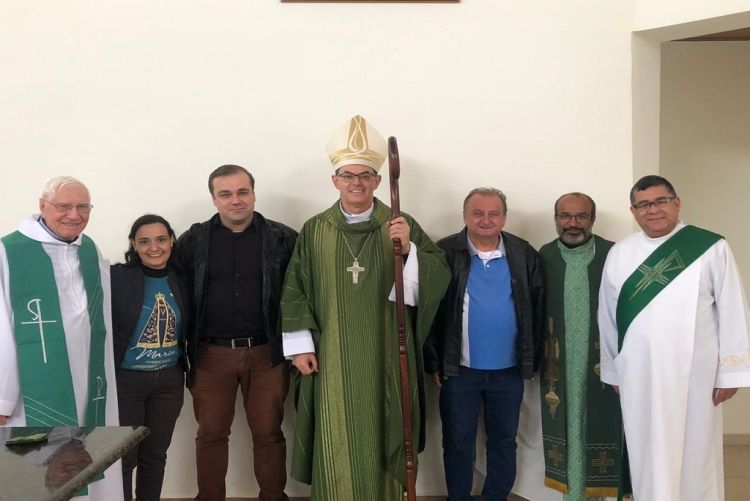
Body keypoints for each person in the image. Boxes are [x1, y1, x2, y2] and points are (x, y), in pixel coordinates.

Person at [281, 114, 450, 500]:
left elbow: (438, 275)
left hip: (387, 351)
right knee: (335, 431)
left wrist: (409, 250)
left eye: (365, 175)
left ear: (377, 181)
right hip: (331, 356)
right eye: (348, 175)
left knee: (385, 424)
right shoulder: (315, 230)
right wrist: (301, 347)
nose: (356, 182)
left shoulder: (399, 224)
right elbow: (295, 288)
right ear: (335, 180)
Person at [598, 175, 750, 501]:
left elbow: (732, 309)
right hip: (639, 373)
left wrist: (731, 372)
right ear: (633, 211)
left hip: (697, 374)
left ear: (676, 203)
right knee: (645, 447)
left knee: (697, 452)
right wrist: (613, 369)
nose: (653, 210)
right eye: (643, 205)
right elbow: (607, 316)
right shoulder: (621, 253)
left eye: (660, 201)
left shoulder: (710, 247)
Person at [174, 164, 297, 501]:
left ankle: (273, 496)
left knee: (269, 433)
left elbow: (300, 293)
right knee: (211, 434)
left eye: (243, 192)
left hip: (267, 352)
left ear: (254, 193)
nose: (236, 200)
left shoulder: (282, 238)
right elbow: (176, 291)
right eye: (225, 194)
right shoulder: (193, 241)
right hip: (210, 355)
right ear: (214, 199)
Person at [0, 176, 123, 501]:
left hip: (90, 382)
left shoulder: (89, 249)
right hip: (34, 389)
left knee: (89, 456)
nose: (74, 214)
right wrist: (2, 398)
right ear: (43, 206)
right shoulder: (9, 252)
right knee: (37, 467)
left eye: (83, 207)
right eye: (64, 206)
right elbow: (2, 330)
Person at [424, 187, 544, 501]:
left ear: (504, 217)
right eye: (478, 213)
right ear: (465, 216)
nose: (486, 220)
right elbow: (430, 312)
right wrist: (435, 360)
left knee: (504, 441)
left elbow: (537, 308)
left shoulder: (523, 253)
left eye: (494, 213)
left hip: (508, 371)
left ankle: (496, 496)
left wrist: (532, 360)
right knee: (458, 441)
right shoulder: (445, 252)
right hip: (459, 371)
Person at [537, 193, 621, 500]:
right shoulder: (543, 256)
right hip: (557, 364)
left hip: (602, 363)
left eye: (581, 216)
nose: (573, 224)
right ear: (556, 218)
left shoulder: (614, 254)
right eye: (565, 216)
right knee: (566, 426)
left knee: (597, 425)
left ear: (592, 219)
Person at [112, 214, 189, 501]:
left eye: (160, 239)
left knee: (155, 456)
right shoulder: (117, 277)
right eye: (144, 241)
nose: (153, 247)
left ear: (171, 240)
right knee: (123, 458)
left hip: (169, 382)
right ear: (134, 244)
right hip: (127, 383)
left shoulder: (182, 279)